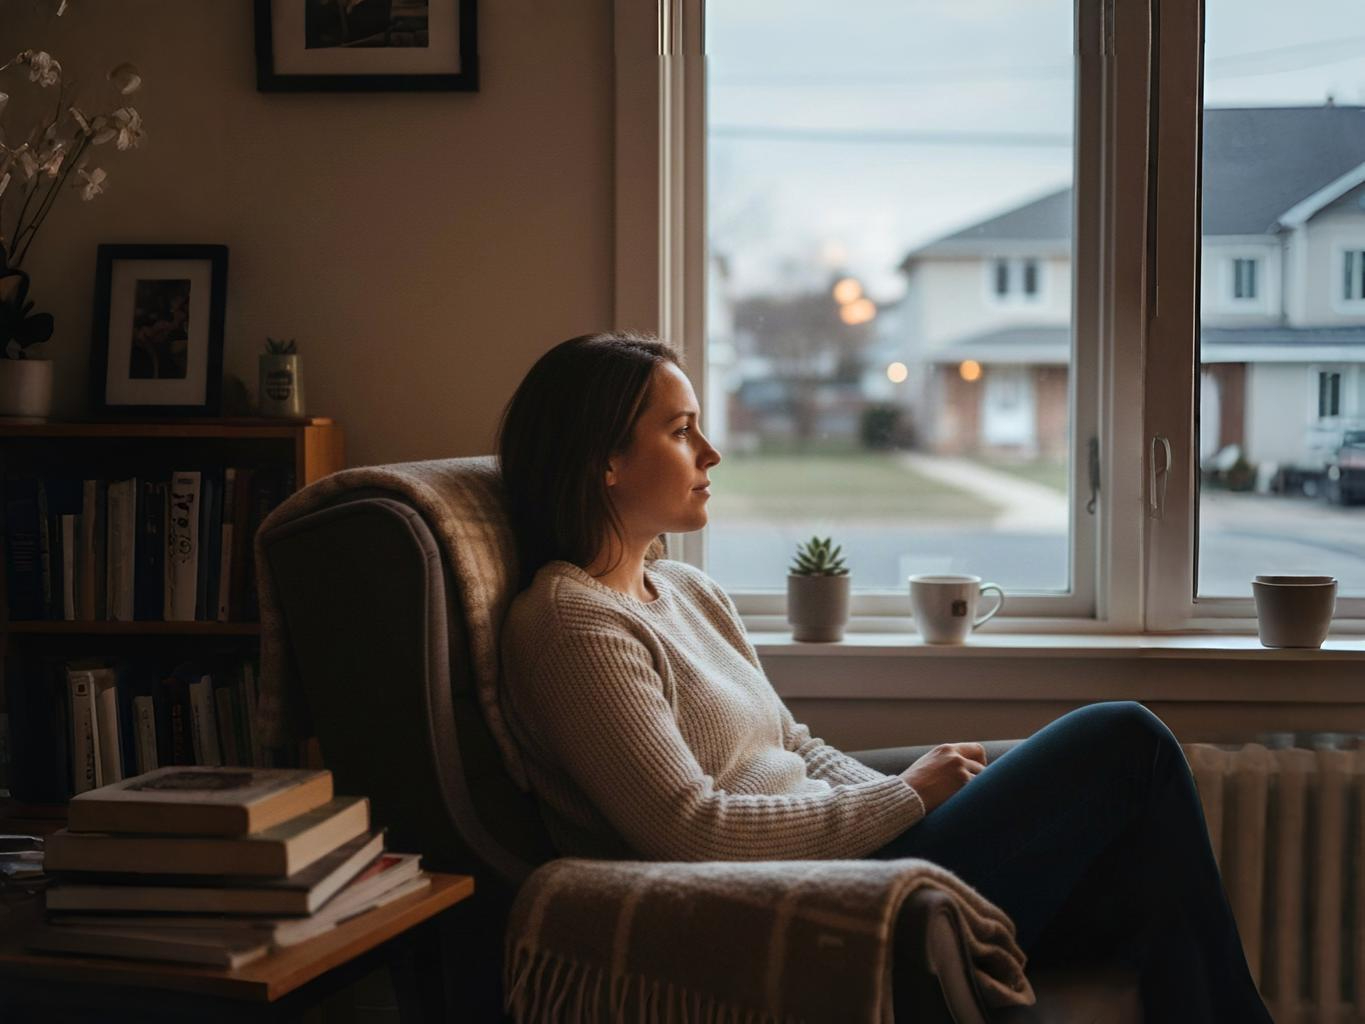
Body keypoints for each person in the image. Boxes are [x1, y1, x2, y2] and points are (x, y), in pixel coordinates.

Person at [497, 331, 1274, 1022]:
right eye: (679, 430)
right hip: (805, 894)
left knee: (1128, 858)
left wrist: (911, 797)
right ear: (604, 459)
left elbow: (794, 745)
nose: (710, 453)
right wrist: (905, 796)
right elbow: (687, 830)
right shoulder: (572, 622)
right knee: (1121, 738)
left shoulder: (690, 592)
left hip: (848, 848)